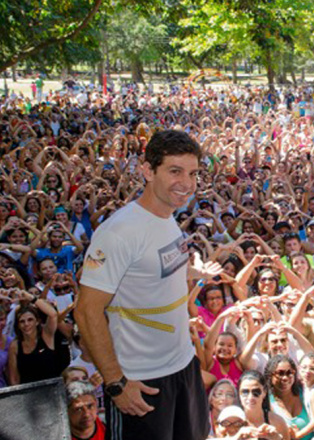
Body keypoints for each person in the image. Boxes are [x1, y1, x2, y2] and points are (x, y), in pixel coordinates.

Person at [74, 130, 222, 440]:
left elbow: (160, 269)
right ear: (147, 171)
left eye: (193, 173)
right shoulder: (119, 231)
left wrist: (197, 273)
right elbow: (87, 310)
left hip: (183, 367)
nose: (187, 182)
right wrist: (115, 383)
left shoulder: (168, 218)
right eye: (174, 171)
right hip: (142, 382)